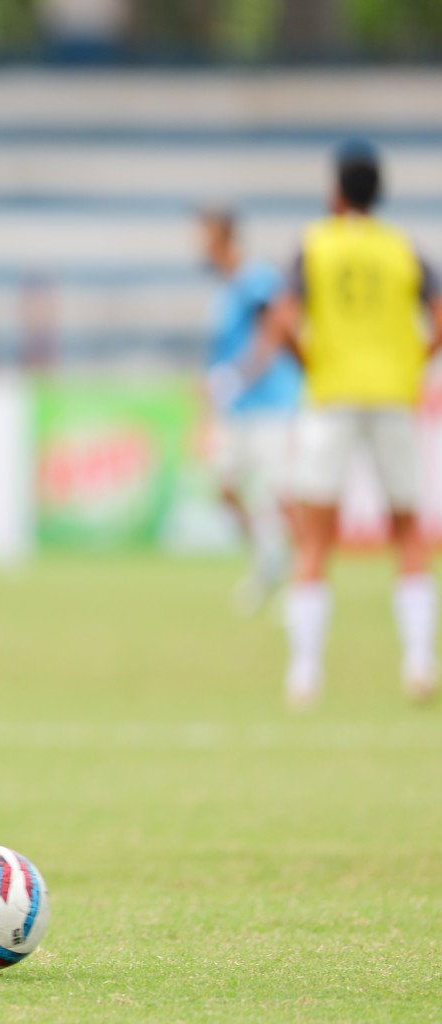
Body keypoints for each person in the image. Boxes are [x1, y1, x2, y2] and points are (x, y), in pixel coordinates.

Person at [273, 141, 442, 708]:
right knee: (408, 535)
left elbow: (284, 320)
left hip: (334, 396)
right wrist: (414, 359)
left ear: (336, 190)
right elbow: (439, 314)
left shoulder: (314, 245)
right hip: (393, 396)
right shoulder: (403, 250)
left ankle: (305, 674)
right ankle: (418, 662)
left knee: (315, 538)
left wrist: (310, 361)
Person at [197, 207, 302, 614]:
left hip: (270, 404)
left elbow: (273, 332)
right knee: (225, 489)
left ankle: (301, 583)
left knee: (282, 494)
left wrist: (238, 376)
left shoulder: (254, 279)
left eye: (204, 234)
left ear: (222, 237)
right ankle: (267, 559)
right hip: (236, 408)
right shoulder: (222, 291)